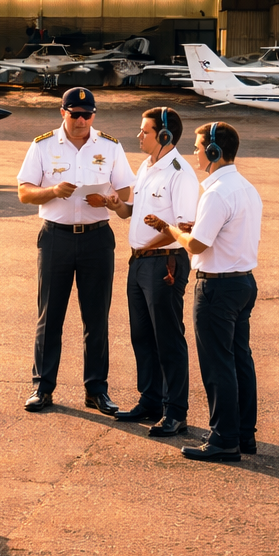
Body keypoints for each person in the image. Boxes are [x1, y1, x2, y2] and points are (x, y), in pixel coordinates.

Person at [143, 121, 263, 462]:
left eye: (198, 147)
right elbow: (226, 231)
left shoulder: (215, 192)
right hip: (242, 282)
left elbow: (195, 246)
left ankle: (223, 439)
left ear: (214, 152)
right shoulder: (244, 187)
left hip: (217, 288)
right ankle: (243, 435)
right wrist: (195, 228)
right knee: (240, 360)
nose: (195, 152)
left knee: (217, 365)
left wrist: (169, 230)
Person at [16, 87, 135, 414]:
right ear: (62, 112)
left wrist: (114, 202)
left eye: (87, 114)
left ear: (94, 114)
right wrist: (53, 191)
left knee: (96, 317)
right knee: (50, 315)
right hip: (57, 238)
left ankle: (96, 390)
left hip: (97, 238)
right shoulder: (42, 145)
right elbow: (24, 192)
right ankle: (42, 387)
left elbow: (126, 189)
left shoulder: (109, 146)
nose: (81, 120)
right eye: (75, 114)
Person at [102, 107, 200, 436]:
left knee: (168, 339)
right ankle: (151, 400)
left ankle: (176, 412)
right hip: (139, 262)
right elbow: (135, 212)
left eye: (144, 132)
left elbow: (183, 227)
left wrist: (147, 248)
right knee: (142, 336)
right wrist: (118, 206)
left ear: (164, 135)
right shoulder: (146, 166)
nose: (139, 136)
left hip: (164, 264)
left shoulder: (180, 173)